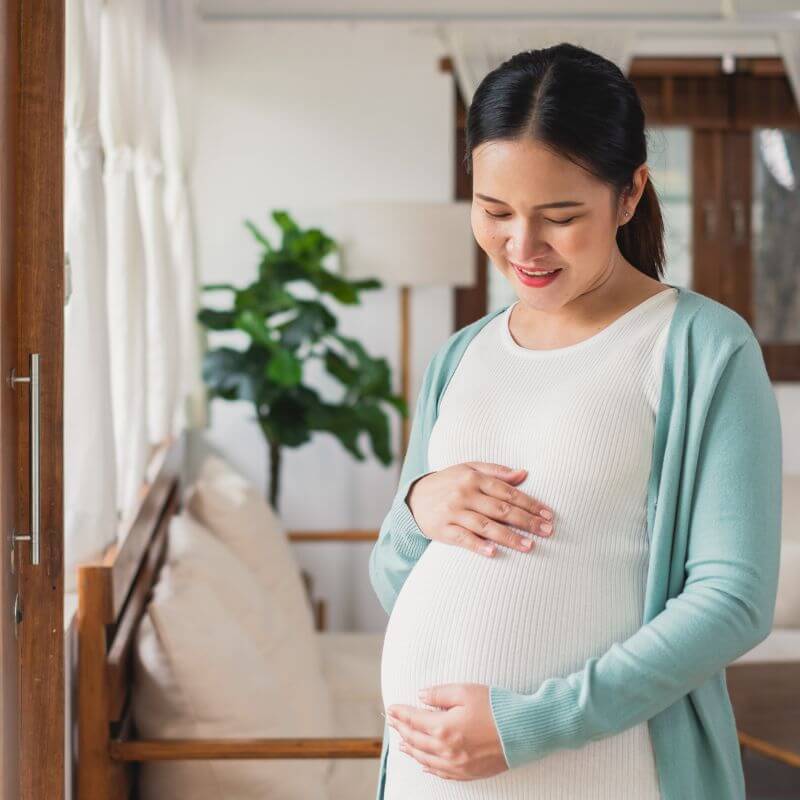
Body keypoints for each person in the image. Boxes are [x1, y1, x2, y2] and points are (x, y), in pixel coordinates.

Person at [369, 43, 782, 800]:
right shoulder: (461, 356)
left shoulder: (700, 348)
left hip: (603, 771)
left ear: (630, 195)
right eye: (494, 211)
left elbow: (734, 601)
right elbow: (394, 576)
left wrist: (529, 722)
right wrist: (420, 504)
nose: (521, 247)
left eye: (560, 217)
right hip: (434, 779)